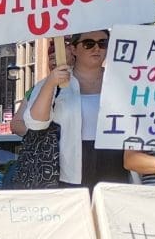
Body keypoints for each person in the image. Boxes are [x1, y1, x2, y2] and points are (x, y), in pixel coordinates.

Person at [20, 30, 127, 187]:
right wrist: (50, 83)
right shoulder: (54, 84)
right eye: (88, 44)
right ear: (73, 49)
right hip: (69, 167)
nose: (96, 49)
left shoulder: (122, 83)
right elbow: (35, 123)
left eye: (103, 43)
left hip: (116, 160)